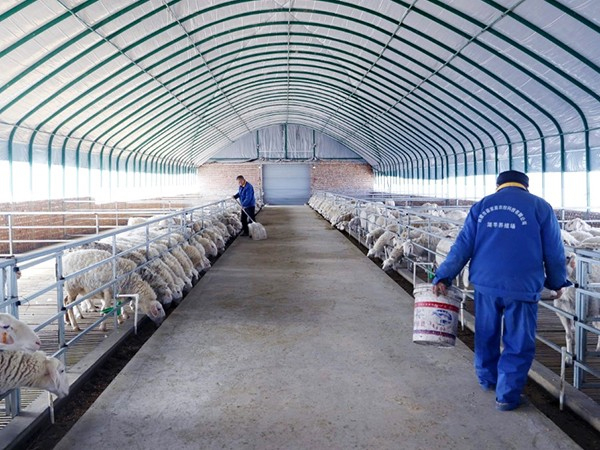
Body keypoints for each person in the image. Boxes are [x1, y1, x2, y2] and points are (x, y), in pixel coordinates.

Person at [431, 170, 570, 411]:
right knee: (518, 341)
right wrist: (557, 282)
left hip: (486, 284)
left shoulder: (482, 206)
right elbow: (555, 251)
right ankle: (506, 396)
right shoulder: (541, 207)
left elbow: (462, 246)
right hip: (523, 286)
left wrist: (443, 276)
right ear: (526, 186)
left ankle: (487, 379)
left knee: (486, 332)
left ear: (498, 186)